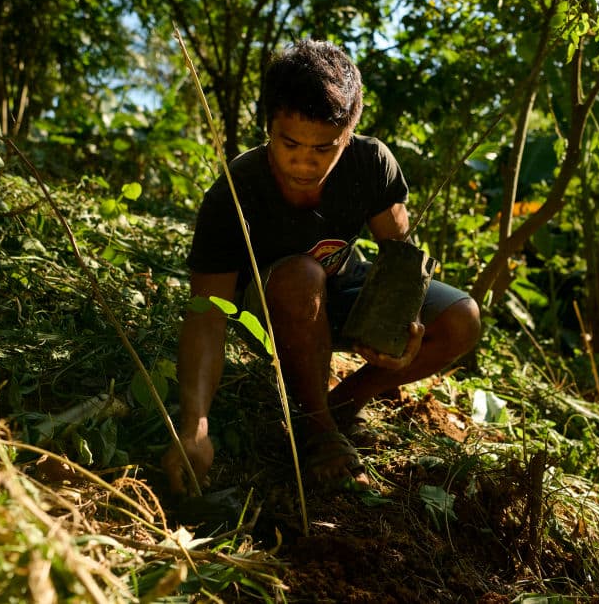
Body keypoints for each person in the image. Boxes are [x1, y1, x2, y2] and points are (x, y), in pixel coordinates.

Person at [162, 39, 481, 494]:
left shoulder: (371, 164)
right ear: (268, 126)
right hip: (267, 313)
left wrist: (401, 324)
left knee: (461, 319)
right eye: (289, 144)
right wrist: (195, 427)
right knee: (301, 275)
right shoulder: (235, 191)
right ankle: (316, 429)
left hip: (341, 288)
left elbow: (399, 265)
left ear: (349, 135)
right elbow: (206, 317)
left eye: (324, 148)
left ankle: (344, 402)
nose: (304, 162)